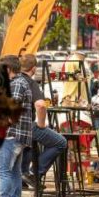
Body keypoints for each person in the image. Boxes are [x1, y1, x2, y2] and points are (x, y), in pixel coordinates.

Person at [19, 54, 68, 189]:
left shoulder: (14, 80)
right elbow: (40, 105)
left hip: (10, 128)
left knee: (31, 144)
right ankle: (34, 174)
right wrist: (41, 124)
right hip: (26, 126)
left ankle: (23, 175)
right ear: (34, 68)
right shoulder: (30, 82)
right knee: (60, 142)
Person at [0, 55, 33, 197]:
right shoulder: (21, 82)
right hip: (18, 134)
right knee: (14, 171)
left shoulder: (16, 84)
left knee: (3, 170)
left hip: (11, 134)